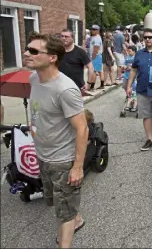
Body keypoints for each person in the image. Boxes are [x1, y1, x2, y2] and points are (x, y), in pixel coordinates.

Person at [24, 33, 88, 248]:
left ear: (52, 57)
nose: (26, 53)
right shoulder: (34, 78)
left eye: (33, 51)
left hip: (62, 160)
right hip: (43, 155)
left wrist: (77, 167)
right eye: (27, 48)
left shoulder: (66, 89)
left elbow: (82, 128)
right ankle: (76, 218)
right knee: (57, 202)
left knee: (64, 214)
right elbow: (41, 110)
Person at [58, 29, 95, 94]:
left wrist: (88, 83)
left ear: (72, 38)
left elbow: (91, 67)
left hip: (76, 88)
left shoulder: (80, 52)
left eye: (66, 36)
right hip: (60, 87)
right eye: (62, 36)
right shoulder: (58, 51)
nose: (63, 38)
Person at [122, 46, 137, 112]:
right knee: (125, 86)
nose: (128, 52)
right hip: (126, 75)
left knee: (133, 88)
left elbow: (137, 67)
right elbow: (124, 64)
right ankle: (129, 96)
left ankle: (133, 99)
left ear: (134, 51)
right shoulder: (127, 57)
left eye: (130, 51)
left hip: (133, 76)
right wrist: (124, 66)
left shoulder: (136, 58)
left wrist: (131, 68)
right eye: (128, 51)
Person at [90, 25, 105, 90]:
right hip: (98, 56)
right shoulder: (96, 37)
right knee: (100, 71)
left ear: (98, 30)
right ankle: (102, 85)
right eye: (92, 29)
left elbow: (95, 49)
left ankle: (92, 87)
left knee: (94, 71)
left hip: (96, 56)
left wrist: (93, 58)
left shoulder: (96, 38)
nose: (92, 30)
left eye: (94, 29)